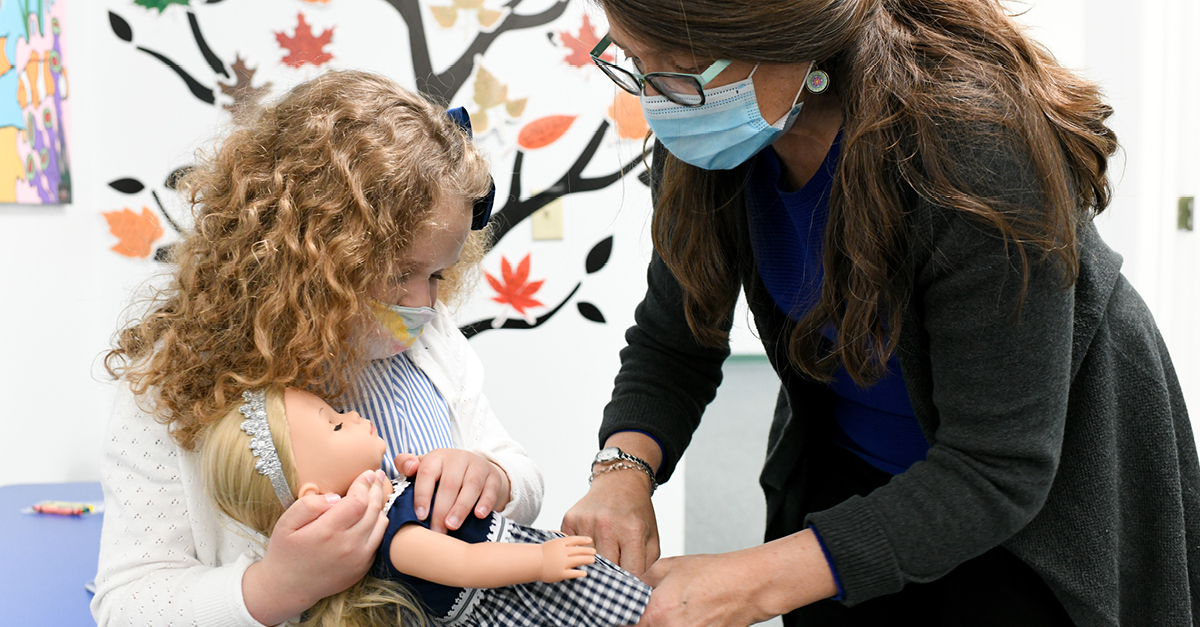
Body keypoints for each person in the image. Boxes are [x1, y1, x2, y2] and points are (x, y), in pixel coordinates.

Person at [561, 1, 1200, 626]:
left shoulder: (975, 152)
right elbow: (675, 341)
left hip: (1031, 501)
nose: (654, 99)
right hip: (854, 462)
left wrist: (751, 586)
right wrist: (623, 470)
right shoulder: (708, 138)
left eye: (679, 69)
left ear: (794, 37)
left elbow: (994, 469)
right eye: (633, 62)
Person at [93, 70, 543, 627]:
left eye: (438, 273)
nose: (425, 302)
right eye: (402, 272)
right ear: (315, 259)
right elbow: (127, 601)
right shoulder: (177, 381)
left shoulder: (430, 336)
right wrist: (272, 587)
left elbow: (521, 474)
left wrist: (491, 478)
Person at [200, 386, 651, 627]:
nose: (354, 416)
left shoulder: (394, 493)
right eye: (337, 426)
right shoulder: (391, 537)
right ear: (316, 495)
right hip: (519, 592)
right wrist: (540, 558)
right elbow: (466, 564)